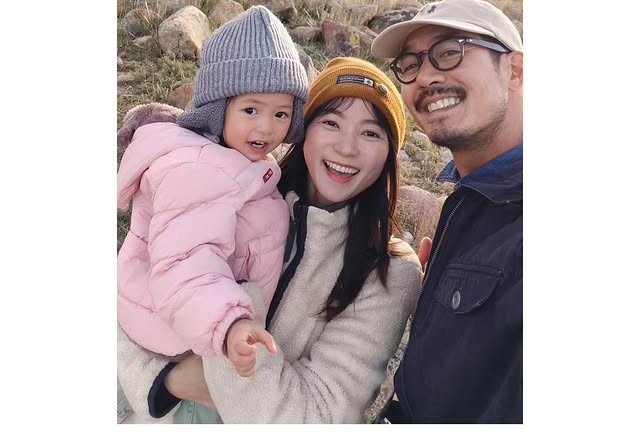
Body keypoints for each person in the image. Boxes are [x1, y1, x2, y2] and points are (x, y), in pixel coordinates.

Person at [116, 57, 423, 423]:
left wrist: (219, 364)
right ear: (303, 130)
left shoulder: (389, 271)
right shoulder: (235, 187)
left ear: (390, 153)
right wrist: (165, 383)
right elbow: (129, 293)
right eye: (330, 122)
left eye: (371, 133)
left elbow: (320, 415)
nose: (346, 148)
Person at [116, 5, 309, 380]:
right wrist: (229, 323)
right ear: (217, 110)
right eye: (250, 110)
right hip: (176, 334)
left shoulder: (237, 158)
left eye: (281, 114)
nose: (266, 127)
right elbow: (187, 262)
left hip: (195, 323)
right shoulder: (201, 171)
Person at [370, 0, 523, 423]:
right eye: (409, 64)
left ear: (515, 70)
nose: (425, 77)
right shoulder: (474, 193)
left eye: (450, 51)